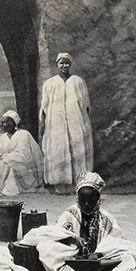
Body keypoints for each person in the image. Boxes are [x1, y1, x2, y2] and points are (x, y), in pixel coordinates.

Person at [20, 171, 136, 271]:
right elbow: (57, 233)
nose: (86, 205)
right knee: (47, 248)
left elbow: (116, 243)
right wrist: (72, 239)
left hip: (103, 260)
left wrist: (99, 254)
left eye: (91, 201)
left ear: (98, 200)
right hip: (73, 256)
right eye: (83, 201)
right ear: (77, 199)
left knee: (128, 259)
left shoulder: (107, 219)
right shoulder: (70, 214)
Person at [39, 52, 93, 192]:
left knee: (77, 149)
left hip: (76, 121)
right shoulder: (50, 84)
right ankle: (59, 186)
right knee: (58, 150)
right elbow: (44, 106)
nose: (64, 66)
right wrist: (43, 123)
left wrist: (84, 124)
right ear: (57, 65)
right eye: (61, 63)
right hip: (56, 123)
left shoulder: (78, 82)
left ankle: (78, 185)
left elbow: (86, 104)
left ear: (71, 64)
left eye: (67, 63)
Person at [0, 110, 44, 195]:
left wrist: (4, 158)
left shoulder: (23, 135)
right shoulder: (2, 138)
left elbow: (23, 155)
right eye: (2, 122)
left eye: (5, 123)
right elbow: (0, 152)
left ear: (13, 123)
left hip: (24, 166)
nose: (2, 125)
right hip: (8, 160)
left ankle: (9, 189)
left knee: (8, 164)